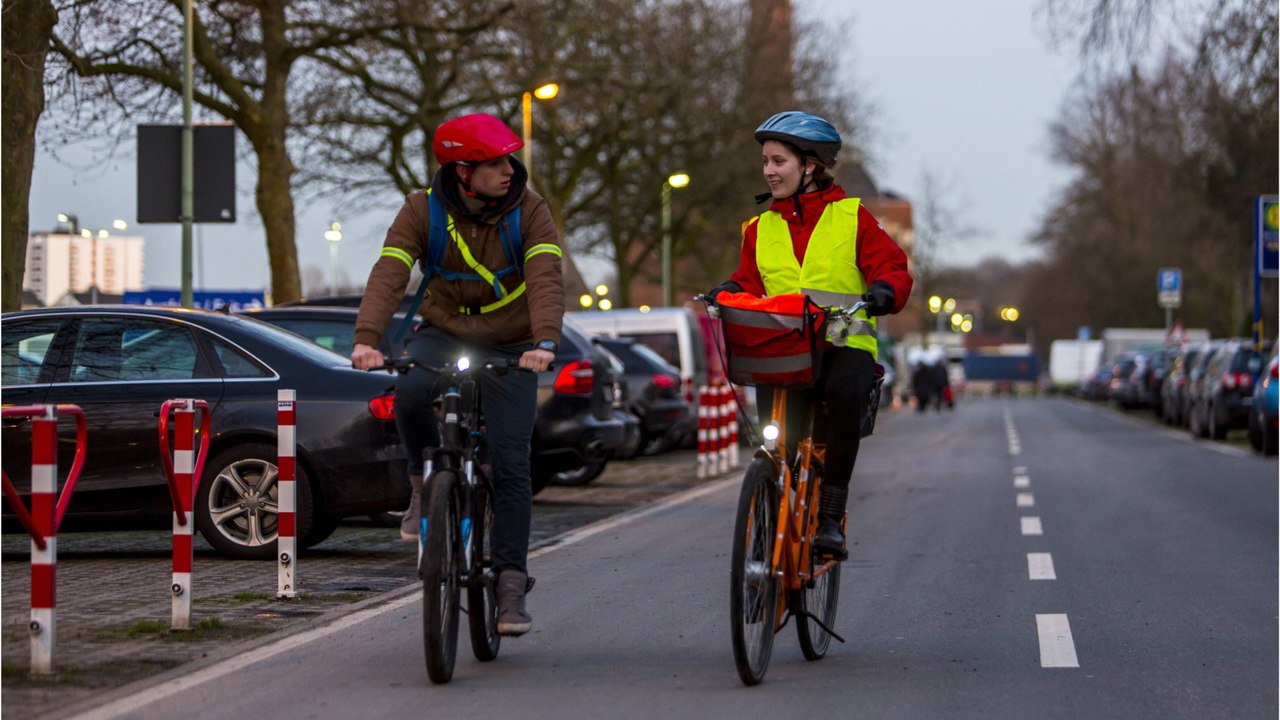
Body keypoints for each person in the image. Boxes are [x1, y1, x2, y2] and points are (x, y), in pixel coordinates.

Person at [351, 113, 564, 636]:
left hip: (514, 341)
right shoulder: (420, 209)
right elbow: (390, 272)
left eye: (509, 160)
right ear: (463, 171)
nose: (508, 171)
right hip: (445, 329)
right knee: (409, 392)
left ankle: (511, 585)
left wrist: (544, 343)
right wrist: (366, 337)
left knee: (513, 464)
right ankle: (425, 485)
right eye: (494, 164)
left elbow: (545, 279)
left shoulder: (531, 211)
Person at [708, 111, 913, 560]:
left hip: (843, 346)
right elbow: (749, 281)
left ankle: (831, 517)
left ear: (811, 166)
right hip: (783, 353)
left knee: (844, 397)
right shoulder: (759, 228)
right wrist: (729, 290)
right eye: (765, 161)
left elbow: (893, 268)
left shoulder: (852, 218)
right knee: (776, 442)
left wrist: (883, 290)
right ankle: (771, 513)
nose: (768, 171)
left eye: (779, 161)